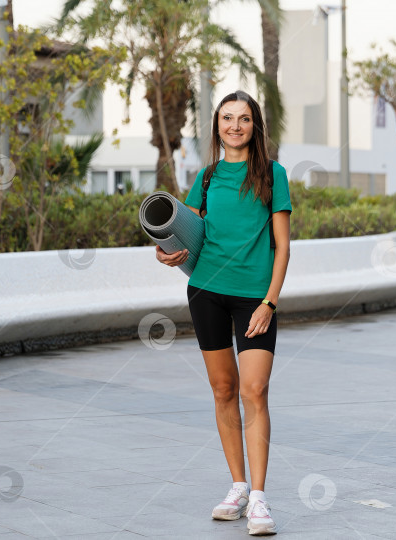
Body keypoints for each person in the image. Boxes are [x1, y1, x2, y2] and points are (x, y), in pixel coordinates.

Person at [155, 90, 292, 536]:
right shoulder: (208, 177)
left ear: (256, 127)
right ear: (217, 126)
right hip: (206, 291)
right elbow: (185, 230)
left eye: (244, 118)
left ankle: (259, 498)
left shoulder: (273, 175)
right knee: (222, 389)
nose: (235, 126)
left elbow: (283, 246)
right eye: (227, 118)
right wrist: (167, 253)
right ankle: (236, 486)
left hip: (254, 297)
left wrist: (270, 302)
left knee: (255, 390)